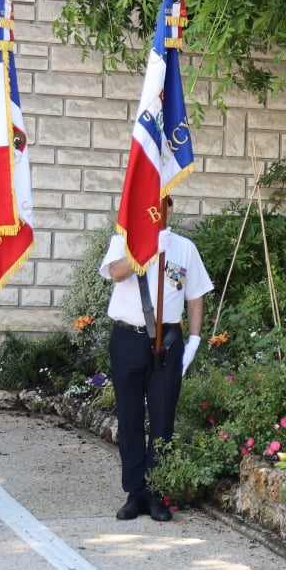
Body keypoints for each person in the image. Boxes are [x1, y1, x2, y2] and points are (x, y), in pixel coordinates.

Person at [100, 196, 212, 522]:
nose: (161, 212)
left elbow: (195, 295)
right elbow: (115, 273)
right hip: (127, 338)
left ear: (172, 210)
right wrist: (145, 249)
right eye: (155, 206)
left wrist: (194, 338)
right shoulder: (122, 240)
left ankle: (156, 491)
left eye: (167, 206)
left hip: (168, 340)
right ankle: (135, 493)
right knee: (131, 419)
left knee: (163, 419)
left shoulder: (184, 248)